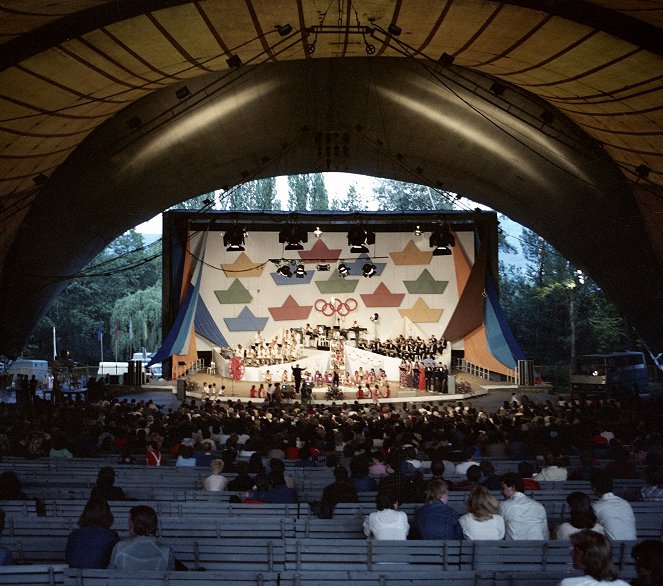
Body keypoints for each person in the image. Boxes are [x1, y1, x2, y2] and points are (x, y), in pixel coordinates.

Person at [109, 506, 175, 570]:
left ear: (134, 524)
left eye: (129, 520)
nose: (128, 525)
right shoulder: (166, 551)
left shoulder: (120, 547)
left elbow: (110, 574)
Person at [559, 530, 630, 586]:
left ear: (586, 554)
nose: (571, 553)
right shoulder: (624, 585)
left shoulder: (568, 584)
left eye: (575, 549)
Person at [65, 498, 119, 568]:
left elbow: (69, 559)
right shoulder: (111, 536)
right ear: (108, 515)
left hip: (74, 577)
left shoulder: (74, 535)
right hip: (100, 577)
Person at [499, 472, 549, 539]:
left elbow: (500, 533)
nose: (501, 492)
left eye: (503, 488)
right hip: (538, 547)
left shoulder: (503, 506)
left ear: (512, 488)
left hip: (513, 548)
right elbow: (545, 534)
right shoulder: (539, 506)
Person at [591, 470, 636, 540]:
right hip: (632, 547)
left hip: (612, 548)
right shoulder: (626, 504)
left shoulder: (596, 507)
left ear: (594, 489)